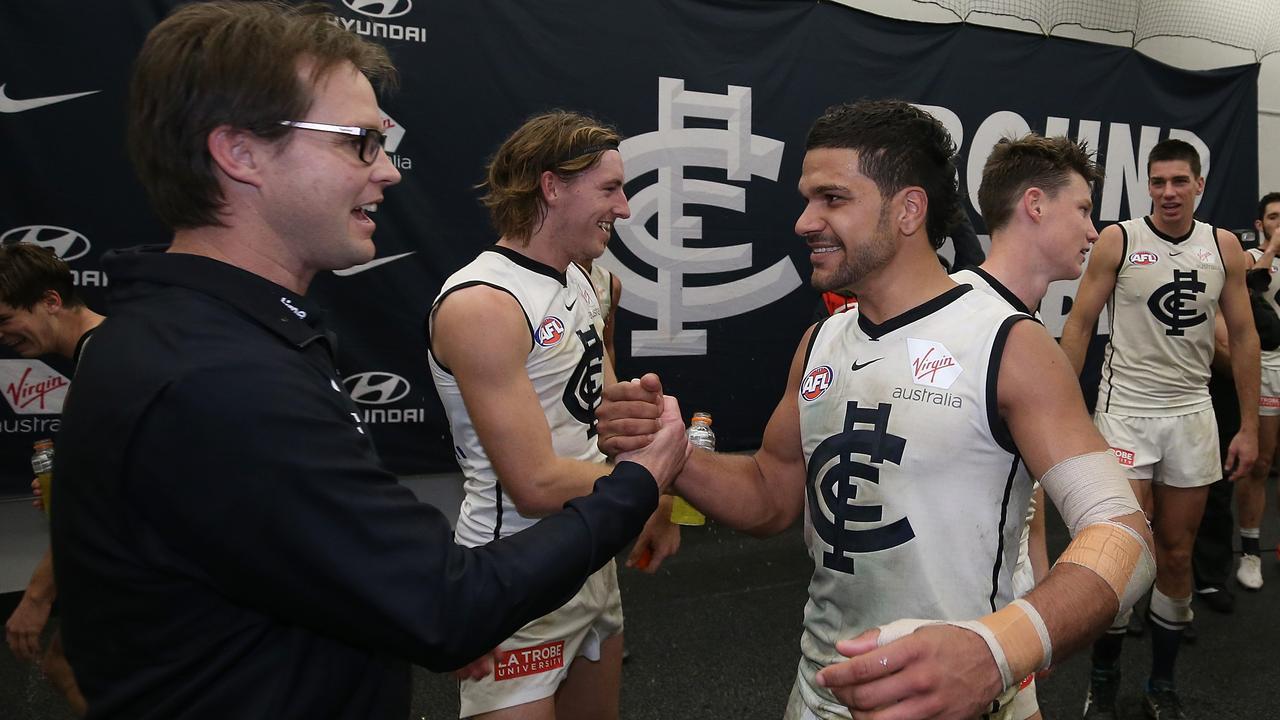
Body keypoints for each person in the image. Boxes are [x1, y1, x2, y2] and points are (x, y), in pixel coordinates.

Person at [48, 4, 689, 718]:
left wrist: (400, 609)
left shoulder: (237, 336)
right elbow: (451, 598)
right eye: (359, 142)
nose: (388, 170)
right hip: (515, 564)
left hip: (548, 566)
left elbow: (293, 562)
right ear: (239, 153)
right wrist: (642, 482)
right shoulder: (215, 374)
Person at [599, 100, 1155, 720]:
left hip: (954, 704)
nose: (805, 221)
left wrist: (997, 650)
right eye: (808, 199)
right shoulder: (821, 342)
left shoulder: (1008, 344)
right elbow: (770, 494)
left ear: (908, 209)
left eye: (833, 199)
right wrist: (672, 454)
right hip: (817, 696)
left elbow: (1123, 536)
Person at [428, 111, 679, 719]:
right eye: (610, 188)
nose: (624, 208)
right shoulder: (484, 304)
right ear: (551, 186)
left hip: (591, 551)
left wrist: (647, 473)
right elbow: (535, 482)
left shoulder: (592, 280)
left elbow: (610, 417)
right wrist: (658, 481)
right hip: (516, 574)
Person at [1060, 138, 1259, 719]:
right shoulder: (1120, 240)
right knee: (1121, 552)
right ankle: (1103, 679)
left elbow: (1245, 337)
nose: (1168, 192)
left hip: (1191, 415)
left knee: (1176, 554)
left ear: (1199, 185)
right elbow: (1078, 326)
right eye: (1158, 181)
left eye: (1179, 181)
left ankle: (1162, 686)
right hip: (1125, 414)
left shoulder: (1222, 247)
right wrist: (1063, 414)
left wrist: (1247, 425)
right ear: (1147, 185)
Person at [951, 132, 1103, 720]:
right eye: (1084, 209)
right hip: (958, 621)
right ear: (1035, 205)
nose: (1093, 231)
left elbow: (1021, 485)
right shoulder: (962, 323)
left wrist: (1038, 598)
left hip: (1004, 604)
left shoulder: (1023, 327)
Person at [0, 242, 103, 716]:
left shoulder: (108, 367)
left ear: (51, 301)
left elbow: (97, 508)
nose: (1, 337)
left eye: (5, 320)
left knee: (68, 663)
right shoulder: (104, 354)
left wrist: (37, 599)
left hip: (181, 568)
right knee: (67, 663)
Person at [1235, 191, 1280, 590]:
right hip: (1267, 365)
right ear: (1260, 223)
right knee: (1261, 463)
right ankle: (1250, 549)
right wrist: (1272, 248)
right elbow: (1252, 288)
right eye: (1274, 217)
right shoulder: (1249, 254)